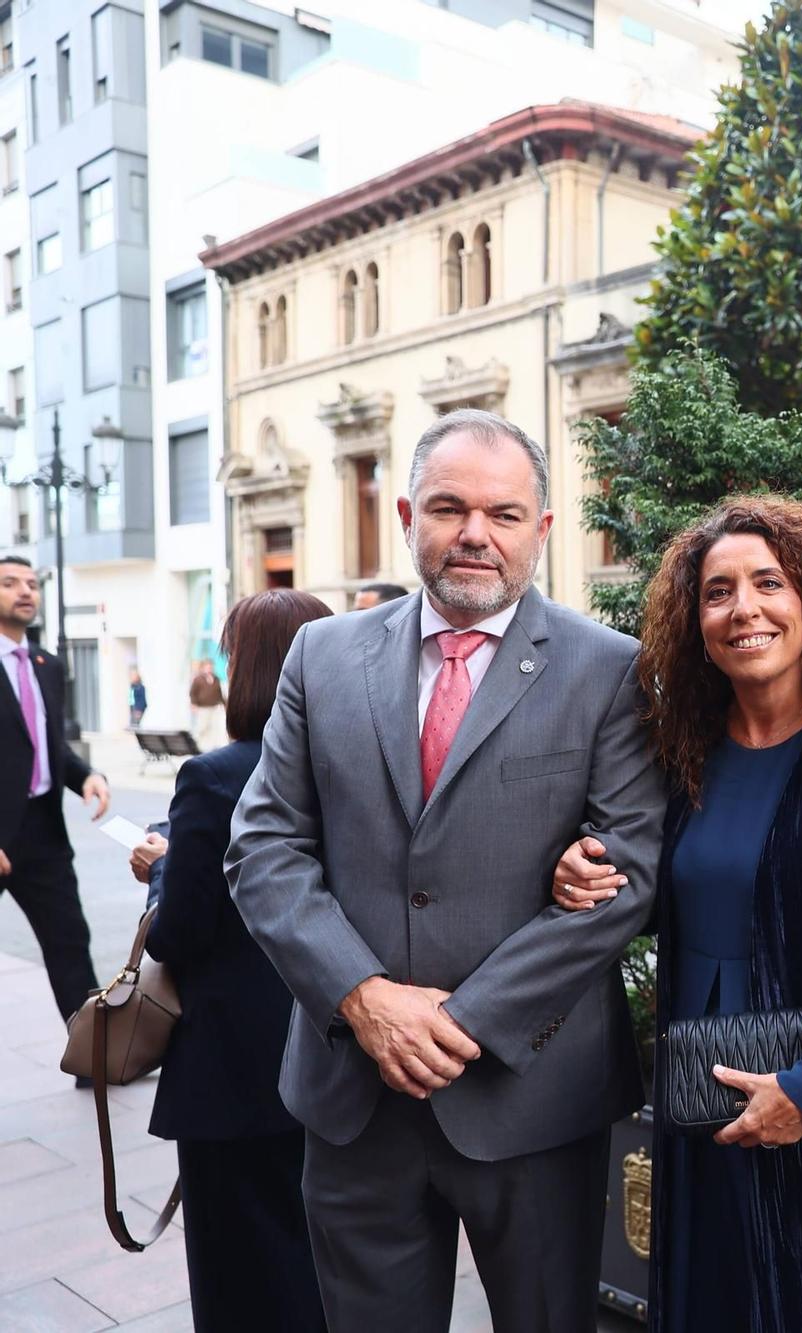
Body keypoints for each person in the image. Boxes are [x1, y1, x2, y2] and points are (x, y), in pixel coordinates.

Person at [225, 408, 667, 1333]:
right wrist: (365, 998)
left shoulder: (610, 670)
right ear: (406, 515)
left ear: (542, 530)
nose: (475, 533)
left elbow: (624, 874)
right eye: (450, 507)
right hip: (354, 1097)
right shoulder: (324, 654)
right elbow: (263, 847)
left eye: (504, 514)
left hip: (533, 1096)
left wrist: (459, 1022)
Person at [550, 494, 802, 1333]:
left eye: (769, 583)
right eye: (718, 591)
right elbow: (658, 899)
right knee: (720, 1298)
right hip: (705, 1088)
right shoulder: (684, 751)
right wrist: (580, 870)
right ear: (693, 619)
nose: (745, 609)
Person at [146, 589, 334, 1331]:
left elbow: (177, 933)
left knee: (239, 1278)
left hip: (232, 1071)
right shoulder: (356, 766)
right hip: (339, 1055)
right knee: (324, 1262)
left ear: (245, 669)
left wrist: (162, 868)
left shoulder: (216, 776)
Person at [0, 556, 113, 1068]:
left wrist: (86, 776)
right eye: (9, 583)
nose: (25, 591)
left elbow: (50, 747)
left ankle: (94, 1060)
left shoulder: (47, 664)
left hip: (42, 832)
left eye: (30, 583)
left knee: (70, 942)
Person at [188, 658, 225, 750]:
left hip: (214, 707)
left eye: (211, 667)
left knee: (213, 728)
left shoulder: (216, 679)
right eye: (207, 667)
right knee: (201, 727)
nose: (209, 669)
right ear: (203, 668)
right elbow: (192, 693)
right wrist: (193, 704)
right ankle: (197, 746)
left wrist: (225, 704)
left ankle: (211, 747)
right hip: (203, 708)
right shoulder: (198, 679)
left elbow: (219, 693)